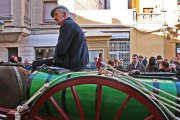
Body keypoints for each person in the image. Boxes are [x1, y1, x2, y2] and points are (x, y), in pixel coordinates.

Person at [31, 5, 89, 72]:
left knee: (35, 64)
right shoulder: (73, 25)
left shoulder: (67, 25)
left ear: (64, 14)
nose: (54, 18)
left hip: (71, 63)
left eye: (56, 15)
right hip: (78, 63)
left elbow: (61, 49)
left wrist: (54, 59)